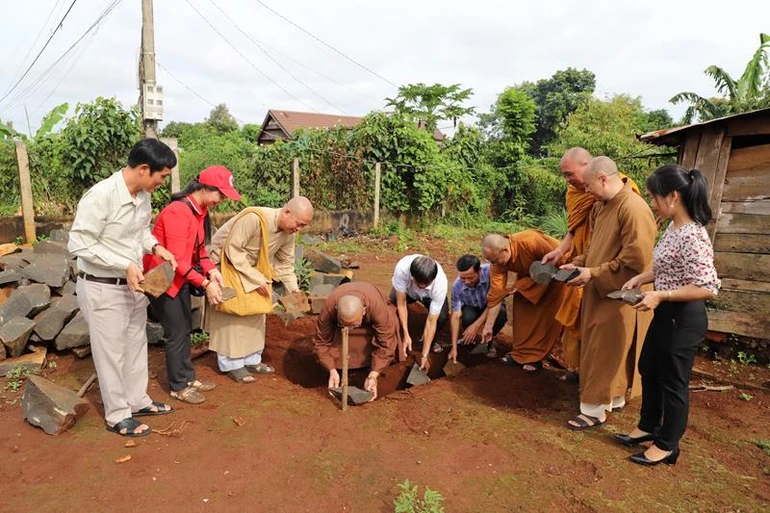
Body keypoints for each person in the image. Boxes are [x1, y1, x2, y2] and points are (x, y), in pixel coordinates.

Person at [68, 138, 178, 437]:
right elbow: (78, 243)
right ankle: (117, 414)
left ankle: (137, 401)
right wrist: (123, 264)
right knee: (111, 352)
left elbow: (140, 232)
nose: (162, 182)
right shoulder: (101, 195)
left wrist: (157, 248)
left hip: (133, 286)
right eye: (162, 176)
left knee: (134, 345)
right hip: (102, 287)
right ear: (144, 169)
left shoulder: (142, 196)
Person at [615, 165, 719, 466]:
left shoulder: (693, 236)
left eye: (654, 197)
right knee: (649, 368)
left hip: (683, 317)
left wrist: (662, 294)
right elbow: (667, 267)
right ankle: (647, 426)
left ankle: (667, 444)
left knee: (674, 382)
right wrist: (642, 279)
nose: (652, 203)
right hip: (665, 311)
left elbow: (707, 286)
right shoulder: (673, 227)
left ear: (673, 196)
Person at [560, 156, 656, 430]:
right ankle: (610, 399)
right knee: (603, 348)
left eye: (588, 185)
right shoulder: (601, 206)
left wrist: (594, 273)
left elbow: (635, 261)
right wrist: (579, 263)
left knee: (606, 350)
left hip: (620, 293)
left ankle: (594, 410)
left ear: (603, 179)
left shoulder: (633, 208)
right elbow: (595, 248)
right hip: (599, 289)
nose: (585, 191)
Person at [541, 147, 641, 382]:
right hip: (583, 261)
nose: (569, 180)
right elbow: (574, 229)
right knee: (577, 314)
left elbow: (629, 240)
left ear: (588, 167)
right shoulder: (576, 194)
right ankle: (577, 368)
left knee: (604, 320)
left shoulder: (623, 192)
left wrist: (603, 267)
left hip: (610, 267)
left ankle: (607, 380)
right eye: (565, 175)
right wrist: (559, 251)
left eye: (569, 174)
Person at [143, 165, 241, 404]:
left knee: (185, 327)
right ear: (205, 188)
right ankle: (178, 386)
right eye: (220, 194)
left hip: (179, 278)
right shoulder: (179, 212)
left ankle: (187, 377)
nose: (222, 200)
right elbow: (176, 260)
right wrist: (206, 283)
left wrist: (213, 272)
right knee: (176, 332)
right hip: (163, 279)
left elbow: (199, 253)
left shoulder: (199, 212)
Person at [206, 196, 314, 383]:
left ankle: (251, 359)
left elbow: (285, 264)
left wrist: (294, 291)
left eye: (303, 226)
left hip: (253, 269)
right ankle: (231, 364)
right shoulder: (254, 218)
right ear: (287, 212)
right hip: (226, 264)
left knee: (257, 311)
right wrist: (257, 279)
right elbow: (232, 250)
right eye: (298, 224)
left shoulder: (288, 233)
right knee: (232, 313)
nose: (298, 229)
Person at [481, 231, 565, 373]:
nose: (493, 264)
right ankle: (520, 353)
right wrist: (488, 326)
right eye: (491, 261)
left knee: (545, 317)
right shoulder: (497, 262)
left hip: (554, 275)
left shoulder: (529, 241)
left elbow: (558, 261)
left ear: (505, 250)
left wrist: (523, 284)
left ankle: (536, 357)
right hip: (529, 278)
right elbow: (496, 294)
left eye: (494, 260)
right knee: (522, 312)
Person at [313, 282, 401, 401]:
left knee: (392, 327)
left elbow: (386, 344)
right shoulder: (328, 309)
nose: (351, 329)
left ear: (364, 311)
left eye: (355, 324)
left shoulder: (378, 309)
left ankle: (369, 370)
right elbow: (321, 342)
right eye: (344, 324)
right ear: (336, 310)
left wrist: (373, 375)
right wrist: (332, 370)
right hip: (341, 321)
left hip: (375, 312)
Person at [389, 255, 449, 371]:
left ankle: (431, 342)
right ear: (412, 276)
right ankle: (396, 337)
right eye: (418, 283)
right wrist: (406, 334)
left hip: (429, 297)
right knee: (392, 303)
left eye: (425, 285)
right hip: (408, 292)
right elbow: (401, 303)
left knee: (441, 318)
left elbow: (431, 321)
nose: (421, 287)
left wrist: (424, 355)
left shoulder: (440, 284)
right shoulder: (402, 269)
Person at [447, 254, 506, 362]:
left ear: (479, 271)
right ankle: (471, 342)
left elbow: (496, 301)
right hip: (472, 306)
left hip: (493, 305)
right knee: (468, 317)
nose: (467, 282)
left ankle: (487, 343)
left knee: (501, 314)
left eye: (470, 278)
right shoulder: (457, 287)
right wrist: (454, 347)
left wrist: (476, 325)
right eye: (462, 278)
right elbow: (455, 316)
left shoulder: (491, 272)